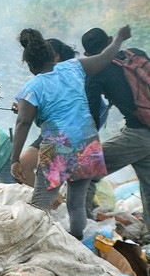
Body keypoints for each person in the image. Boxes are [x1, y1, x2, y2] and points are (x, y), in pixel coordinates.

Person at [11, 26, 131, 239]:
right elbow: (105, 57)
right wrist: (119, 38)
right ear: (51, 55)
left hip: (59, 146)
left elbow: (23, 122)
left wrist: (14, 160)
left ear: (30, 65)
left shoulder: (33, 86)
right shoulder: (73, 67)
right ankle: (75, 241)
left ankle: (37, 244)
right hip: (88, 142)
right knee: (76, 204)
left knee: (41, 204)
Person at [83, 27, 150, 233]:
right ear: (111, 40)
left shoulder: (95, 74)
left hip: (138, 134)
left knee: (85, 172)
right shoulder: (136, 54)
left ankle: (83, 230)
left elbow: (92, 118)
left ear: (87, 55)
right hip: (145, 130)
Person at [15, 38, 100, 187]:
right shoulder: (53, 76)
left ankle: (53, 203)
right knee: (24, 168)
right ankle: (57, 204)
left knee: (61, 182)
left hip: (64, 135)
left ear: (55, 56)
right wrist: (26, 110)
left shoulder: (69, 74)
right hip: (56, 134)